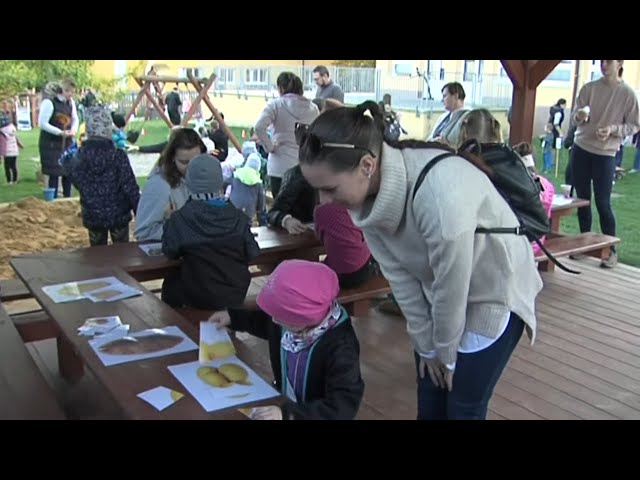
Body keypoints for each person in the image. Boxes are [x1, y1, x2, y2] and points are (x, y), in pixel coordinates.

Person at [297, 100, 542, 420]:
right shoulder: (364, 202)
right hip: (441, 294)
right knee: (430, 394)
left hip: (492, 291)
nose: (323, 201)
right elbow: (401, 279)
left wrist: (447, 355)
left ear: (367, 166)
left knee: (462, 405)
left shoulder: (440, 196)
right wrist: (428, 348)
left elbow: (451, 286)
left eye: (329, 188)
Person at [209, 260, 364, 420]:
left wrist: (289, 414)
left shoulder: (341, 348)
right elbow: (264, 322)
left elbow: (341, 407)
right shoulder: (292, 322)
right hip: (287, 403)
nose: (275, 321)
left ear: (304, 317)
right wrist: (233, 318)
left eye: (281, 317)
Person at [161, 154, 260, 310]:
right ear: (219, 181)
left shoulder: (180, 219)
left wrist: (169, 220)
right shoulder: (238, 218)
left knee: (171, 282)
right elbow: (253, 252)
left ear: (189, 182)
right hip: (234, 294)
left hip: (195, 295)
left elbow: (169, 250)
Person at [570, 60, 640, 268]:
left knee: (602, 202)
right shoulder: (589, 88)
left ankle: (610, 251)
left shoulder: (627, 94)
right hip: (581, 148)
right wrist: (579, 116)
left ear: (619, 64)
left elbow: (634, 125)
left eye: (608, 61)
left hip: (606, 154)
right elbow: (575, 117)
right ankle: (585, 245)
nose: (603, 64)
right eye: (601, 61)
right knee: (582, 199)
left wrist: (613, 130)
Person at [62, 107, 140, 246]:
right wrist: (139, 210)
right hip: (119, 214)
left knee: (97, 255)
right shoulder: (118, 156)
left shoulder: (79, 157)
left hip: (93, 214)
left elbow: (72, 174)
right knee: (122, 252)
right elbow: (130, 186)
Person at [254, 72, 319, 199]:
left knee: (281, 212)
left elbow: (259, 126)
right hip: (305, 167)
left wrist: (270, 147)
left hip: (279, 166)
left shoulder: (275, 105)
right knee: (303, 213)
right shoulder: (313, 108)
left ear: (281, 88)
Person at [134, 128, 206, 241]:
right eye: (184, 162)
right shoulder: (158, 185)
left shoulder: (203, 178)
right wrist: (176, 226)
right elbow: (143, 232)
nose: (191, 167)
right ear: (172, 158)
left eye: (196, 161)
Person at [38, 79, 79, 198]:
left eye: (72, 92)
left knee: (68, 171)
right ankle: (53, 198)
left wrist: (73, 130)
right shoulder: (49, 102)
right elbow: (42, 123)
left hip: (67, 141)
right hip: (51, 143)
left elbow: (75, 118)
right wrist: (59, 132)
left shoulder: (70, 102)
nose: (71, 94)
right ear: (62, 91)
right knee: (54, 173)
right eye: (69, 91)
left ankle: (67, 198)